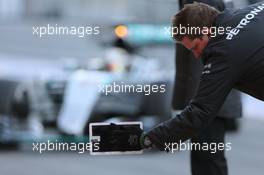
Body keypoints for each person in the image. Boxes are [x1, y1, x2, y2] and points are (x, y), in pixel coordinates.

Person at [108, 0, 264, 173]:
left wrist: (145, 139)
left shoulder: (223, 53)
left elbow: (198, 113)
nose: (197, 56)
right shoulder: (251, 10)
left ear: (205, 31)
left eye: (196, 47)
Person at [172, 1, 242, 175]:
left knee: (209, 161)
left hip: (209, 99)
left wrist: (195, 106)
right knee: (205, 160)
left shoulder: (206, 5)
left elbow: (211, 55)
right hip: (204, 98)